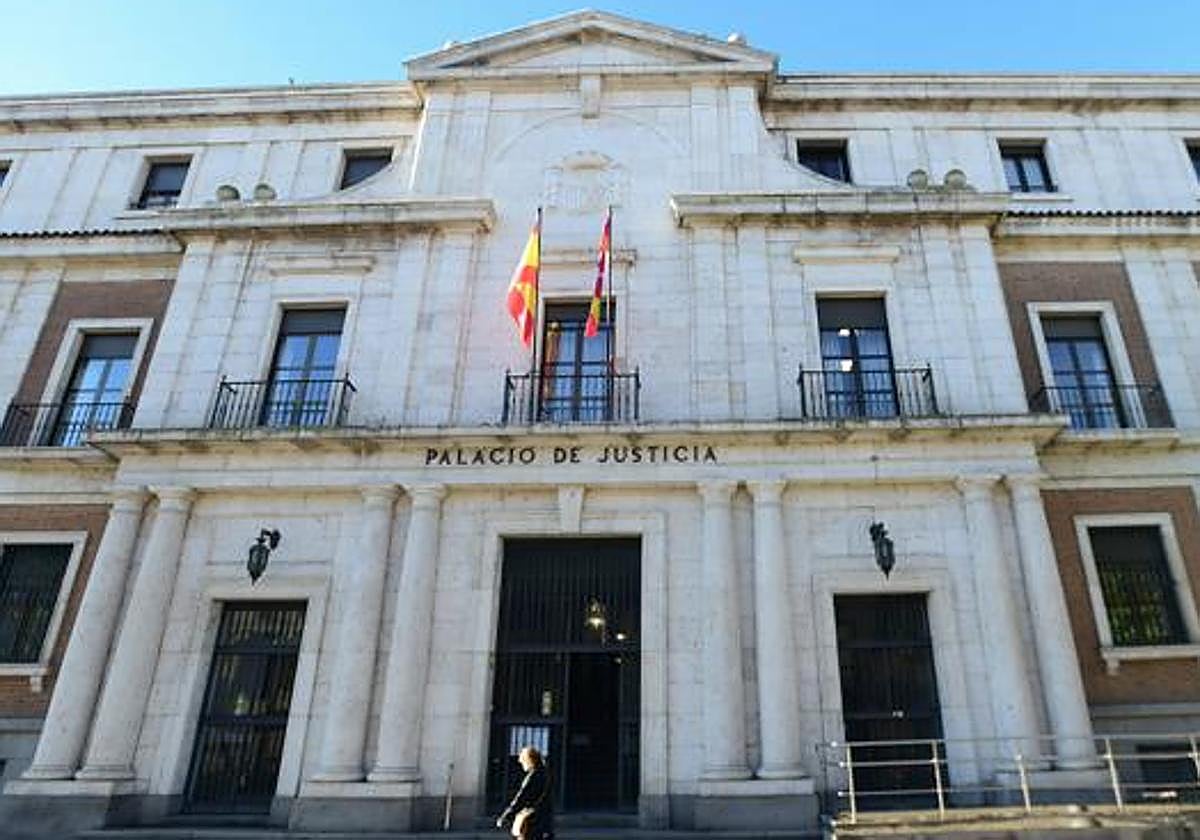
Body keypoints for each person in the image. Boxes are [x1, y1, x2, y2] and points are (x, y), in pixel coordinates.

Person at [496, 745, 555, 839]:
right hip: (544, 821)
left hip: (533, 821)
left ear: (529, 760)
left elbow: (521, 797)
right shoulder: (545, 774)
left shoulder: (533, 776)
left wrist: (507, 815)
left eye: (522, 761)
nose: (521, 763)